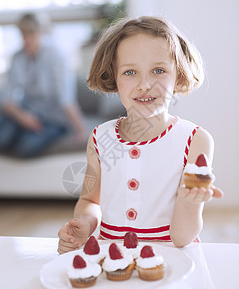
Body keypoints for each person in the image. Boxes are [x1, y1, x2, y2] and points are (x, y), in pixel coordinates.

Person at [58, 16, 223, 253]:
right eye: (130, 72)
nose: (145, 84)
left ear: (179, 74)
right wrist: (84, 223)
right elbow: (89, 201)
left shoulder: (195, 139)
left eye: (158, 70)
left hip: (173, 262)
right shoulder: (100, 138)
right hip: (112, 257)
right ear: (112, 76)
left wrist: (189, 201)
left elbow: (181, 238)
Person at [0, 12, 87, 157]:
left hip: (53, 118)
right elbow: (7, 98)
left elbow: (66, 100)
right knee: (2, 139)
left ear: (42, 33)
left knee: (25, 148)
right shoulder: (18, 57)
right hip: (27, 113)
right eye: (24, 34)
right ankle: (21, 130)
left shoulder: (57, 56)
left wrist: (81, 130)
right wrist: (23, 118)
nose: (27, 40)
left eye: (32, 34)